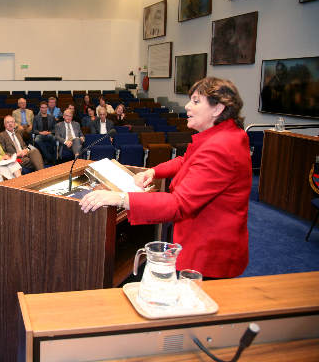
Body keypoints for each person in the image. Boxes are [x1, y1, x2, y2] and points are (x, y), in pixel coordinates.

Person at [79, 77, 252, 279]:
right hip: (205, 239)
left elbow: (179, 204)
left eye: (196, 101)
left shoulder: (220, 146)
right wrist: (153, 172)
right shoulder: (222, 135)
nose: (187, 106)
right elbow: (186, 160)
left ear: (217, 109)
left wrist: (120, 198)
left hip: (208, 253)